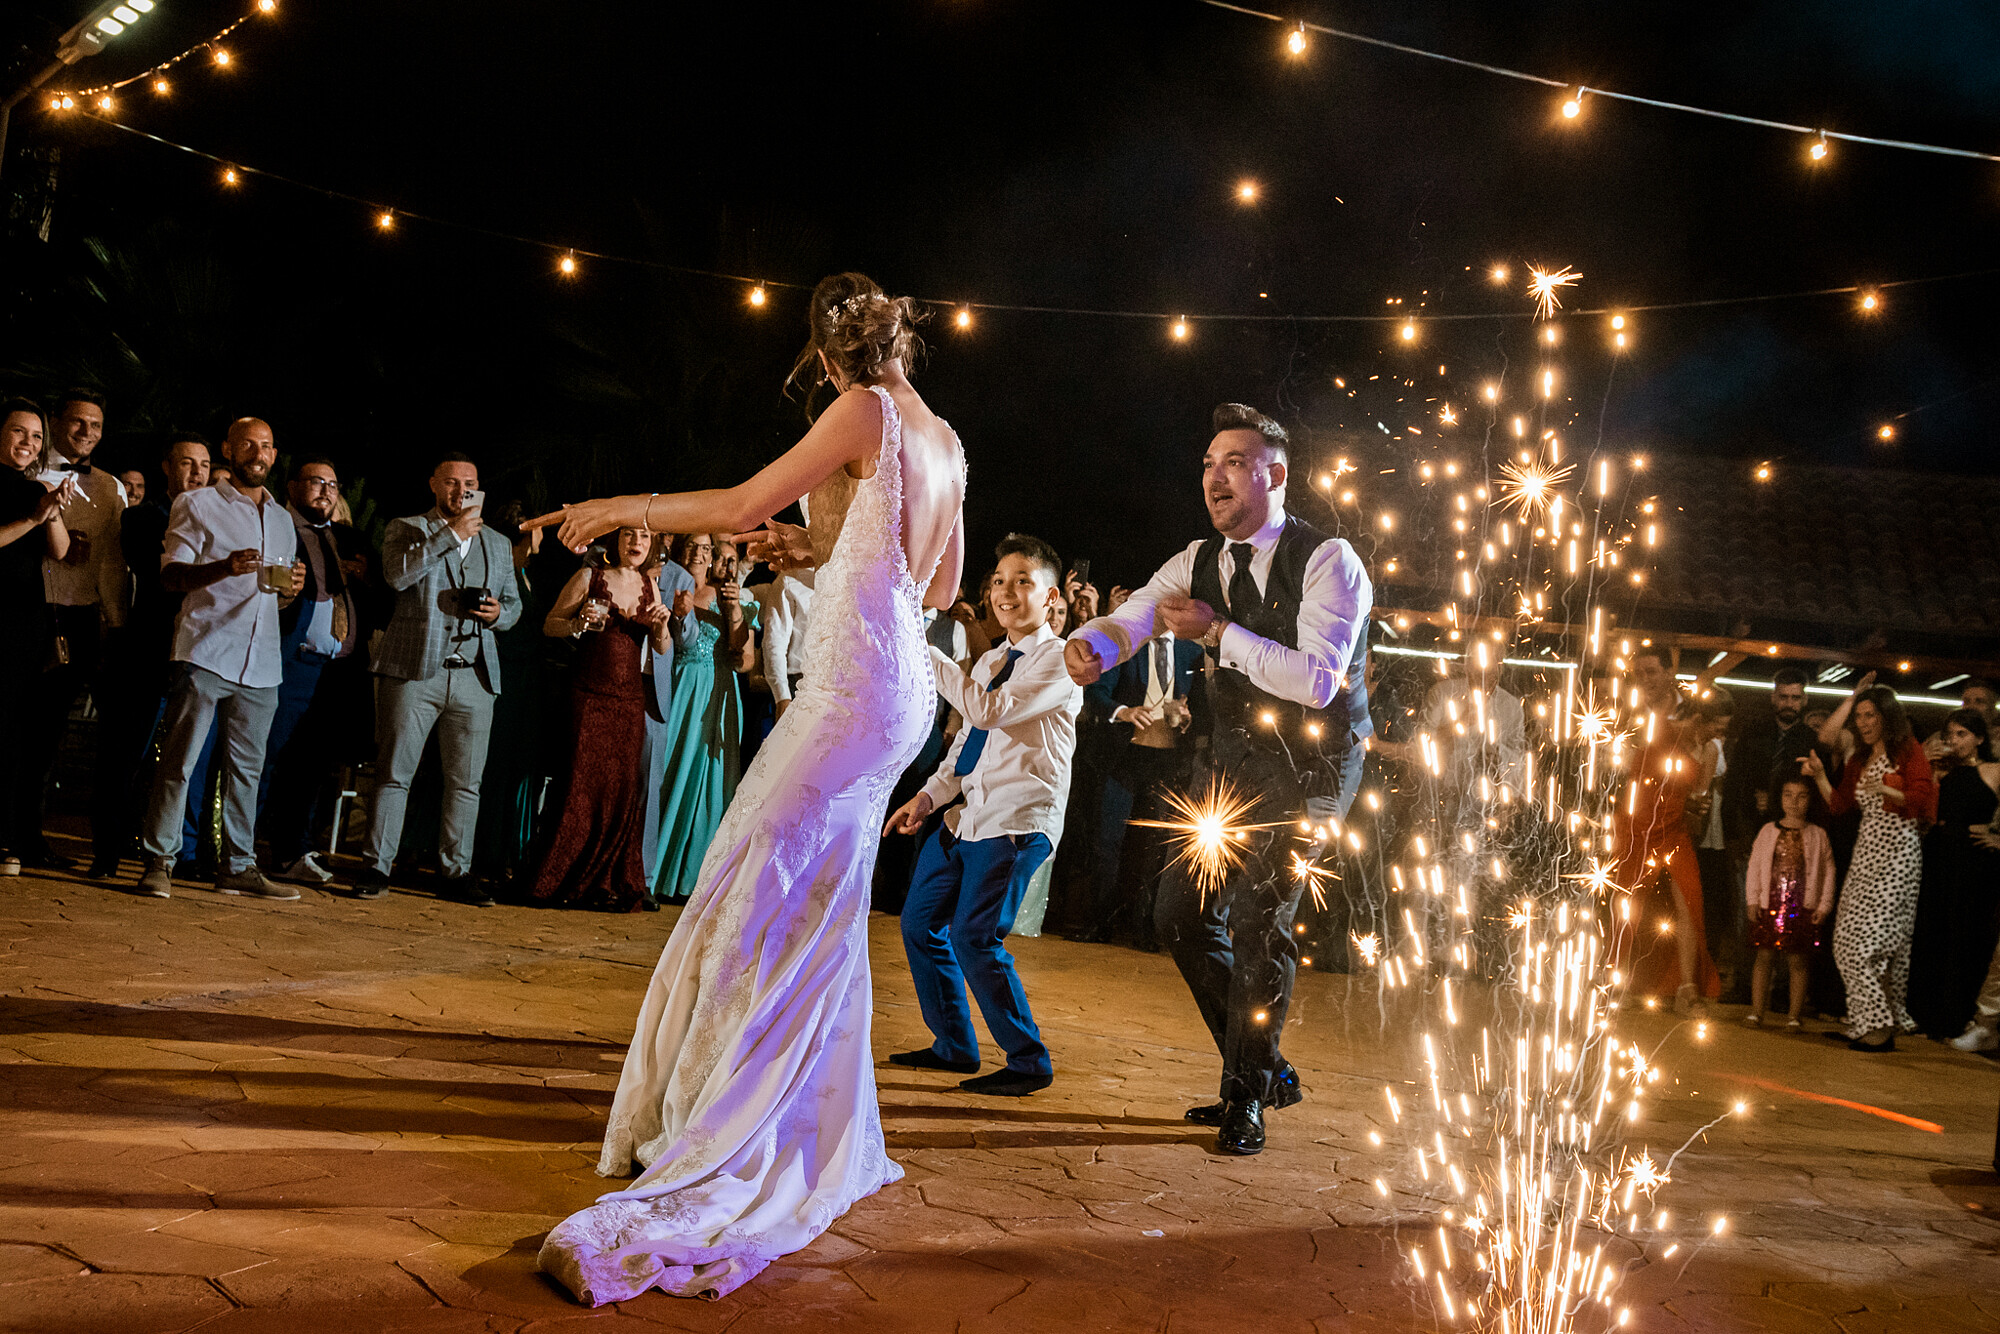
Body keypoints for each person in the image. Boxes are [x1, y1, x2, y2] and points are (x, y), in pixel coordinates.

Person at [526, 272, 964, 1305]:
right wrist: (819, 546)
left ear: (823, 358)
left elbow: (732, 506)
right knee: (816, 902)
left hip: (852, 690)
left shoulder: (855, 408)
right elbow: (936, 586)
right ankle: (792, 1108)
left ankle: (716, 1122)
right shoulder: (940, 432)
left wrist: (610, 508)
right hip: (898, 689)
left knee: (749, 883)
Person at [1065, 402, 1372, 1157]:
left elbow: (1318, 682)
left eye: (1233, 462)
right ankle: (1265, 1070)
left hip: (1314, 768)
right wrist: (1093, 645)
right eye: (1207, 463)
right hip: (1234, 763)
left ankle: (1245, 1099)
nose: (1214, 477)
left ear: (1275, 474)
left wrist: (1216, 633)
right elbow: (1137, 613)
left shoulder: (1329, 559)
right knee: (1178, 914)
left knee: (1260, 923)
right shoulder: (1196, 558)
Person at [884, 533, 1081, 1096]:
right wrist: (926, 799)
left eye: (1023, 581)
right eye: (998, 580)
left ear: (1051, 599)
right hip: (965, 817)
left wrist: (929, 650)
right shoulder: (994, 658)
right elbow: (966, 743)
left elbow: (988, 710)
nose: (1006, 592)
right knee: (920, 923)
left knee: (975, 936)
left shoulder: (1059, 661)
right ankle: (954, 1046)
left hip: (1017, 820)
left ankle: (1028, 1061)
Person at [133, 418, 304, 900]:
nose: (258, 452)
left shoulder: (283, 519)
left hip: (262, 661)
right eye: (248, 443)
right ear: (229, 449)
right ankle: (159, 861)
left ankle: (238, 865)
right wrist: (222, 568)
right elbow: (170, 577)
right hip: (206, 650)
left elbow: (276, 597)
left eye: (267, 445)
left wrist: (292, 590)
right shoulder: (198, 503)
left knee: (247, 771)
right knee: (180, 762)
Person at [352, 453, 522, 904]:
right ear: (433, 485)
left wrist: (499, 613)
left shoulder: (499, 545)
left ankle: (455, 871)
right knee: (394, 773)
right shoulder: (407, 528)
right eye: (451, 482)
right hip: (414, 670)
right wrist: (449, 535)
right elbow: (397, 575)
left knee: (466, 782)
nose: (460, 491)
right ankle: (376, 865)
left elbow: (515, 606)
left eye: (469, 483)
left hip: (474, 675)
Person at [528, 528, 673, 911]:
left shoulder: (649, 585)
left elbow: (661, 646)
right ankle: (561, 877)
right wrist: (577, 624)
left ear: (651, 545)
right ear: (616, 541)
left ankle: (607, 882)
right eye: (629, 535)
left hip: (629, 702)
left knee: (620, 790)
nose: (636, 542)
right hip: (588, 696)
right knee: (579, 785)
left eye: (644, 536)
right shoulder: (588, 577)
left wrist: (661, 628)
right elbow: (550, 624)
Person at [89, 433, 211, 879]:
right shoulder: (141, 518)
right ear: (166, 466)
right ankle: (106, 852)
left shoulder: (225, 519)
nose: (196, 472)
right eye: (186, 463)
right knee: (125, 753)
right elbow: (155, 570)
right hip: (147, 648)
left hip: (203, 650)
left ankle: (187, 856)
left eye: (204, 464)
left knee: (190, 759)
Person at [21, 389, 125, 871]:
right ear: (56, 420)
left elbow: (111, 564)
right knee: (19, 728)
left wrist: (114, 621)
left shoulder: (110, 487)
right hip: (31, 612)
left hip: (81, 618)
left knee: (49, 734)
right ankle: (17, 835)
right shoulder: (26, 472)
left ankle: (29, 838)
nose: (87, 433)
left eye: (96, 425)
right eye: (78, 422)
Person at [1803, 680, 1938, 1051]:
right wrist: (1818, 776)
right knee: (1844, 939)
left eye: (1870, 715)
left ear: (1886, 716)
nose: (1863, 723)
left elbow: (1922, 796)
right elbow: (1841, 805)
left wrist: (1887, 790)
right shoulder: (1861, 759)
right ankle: (1863, 1021)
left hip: (1898, 855)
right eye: (1860, 716)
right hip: (1866, 855)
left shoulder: (1907, 751)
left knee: (1870, 945)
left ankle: (1880, 1026)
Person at [260, 458, 376, 885]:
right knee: (267, 759)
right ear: (292, 486)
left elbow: (379, 603)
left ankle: (295, 851)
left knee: (310, 767)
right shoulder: (278, 529)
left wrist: (365, 579)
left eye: (332, 483)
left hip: (335, 672)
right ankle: (242, 849)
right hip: (287, 662)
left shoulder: (348, 538)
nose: (326, 491)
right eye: (316, 482)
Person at [1078, 623, 1202, 944]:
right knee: (1108, 840)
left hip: (1167, 761)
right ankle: (1099, 922)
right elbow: (1095, 693)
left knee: (1155, 847)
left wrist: (1188, 716)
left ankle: (1143, 927)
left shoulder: (1192, 650)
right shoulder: (1127, 644)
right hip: (1122, 756)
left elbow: (1202, 707)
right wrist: (1124, 712)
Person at [646, 531, 754, 902]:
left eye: (707, 550)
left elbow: (746, 656)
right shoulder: (667, 584)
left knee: (710, 782)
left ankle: (692, 878)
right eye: (693, 546)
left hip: (717, 692)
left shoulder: (732, 598)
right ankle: (651, 871)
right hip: (678, 685)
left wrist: (735, 609)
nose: (700, 554)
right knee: (668, 769)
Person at [1611, 697, 1725, 1015]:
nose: (1719, 734)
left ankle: (1687, 988)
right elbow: (1637, 779)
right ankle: (1612, 979)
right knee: (1628, 904)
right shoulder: (1663, 731)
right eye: (1716, 725)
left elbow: (1699, 801)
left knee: (1690, 900)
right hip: (1641, 828)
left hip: (1676, 832)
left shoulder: (1712, 748)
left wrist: (1696, 809)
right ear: (1700, 717)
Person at [0, 401, 75, 872]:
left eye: (35, 436)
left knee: (13, 732)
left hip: (24, 621)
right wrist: (34, 515)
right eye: (18, 432)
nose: (28, 443)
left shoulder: (33, 489)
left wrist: (52, 510)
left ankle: (6, 838)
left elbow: (62, 552)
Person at [1909, 708, 2000, 1040]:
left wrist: (1997, 839)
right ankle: (1924, 1014)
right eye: (1950, 735)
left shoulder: (1993, 771)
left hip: (1973, 859)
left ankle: (1954, 1017)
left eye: (1962, 734)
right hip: (1938, 852)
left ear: (1978, 738)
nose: (1954, 741)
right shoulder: (1939, 772)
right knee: (1932, 933)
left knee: (1965, 936)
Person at [1742, 776, 1835, 1031]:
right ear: (1779, 797)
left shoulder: (1818, 835)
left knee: (1798, 962)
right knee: (1764, 958)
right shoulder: (1767, 831)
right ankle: (1756, 1011)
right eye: (1788, 794)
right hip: (1768, 905)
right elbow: (1754, 866)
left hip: (1801, 908)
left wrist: (1824, 905)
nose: (1794, 802)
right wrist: (1752, 899)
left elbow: (1828, 871)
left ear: (1810, 800)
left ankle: (1794, 1015)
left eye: (1801, 796)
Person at [759, 567, 815, 721]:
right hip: (800, 686)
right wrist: (782, 696)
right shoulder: (789, 580)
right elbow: (774, 641)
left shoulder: (848, 574)